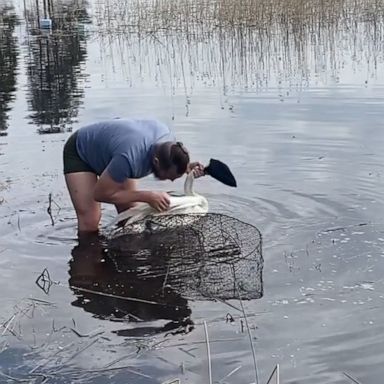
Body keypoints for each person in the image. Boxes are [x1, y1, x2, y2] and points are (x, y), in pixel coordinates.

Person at [63, 118, 204, 233]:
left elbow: (175, 160)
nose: (171, 180)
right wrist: (148, 197)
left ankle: (125, 257)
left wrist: (187, 168)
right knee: (90, 220)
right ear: (156, 162)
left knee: (130, 216)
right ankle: (89, 261)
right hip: (80, 152)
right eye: (168, 176)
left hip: (115, 151)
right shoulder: (130, 158)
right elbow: (100, 194)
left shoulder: (171, 146)